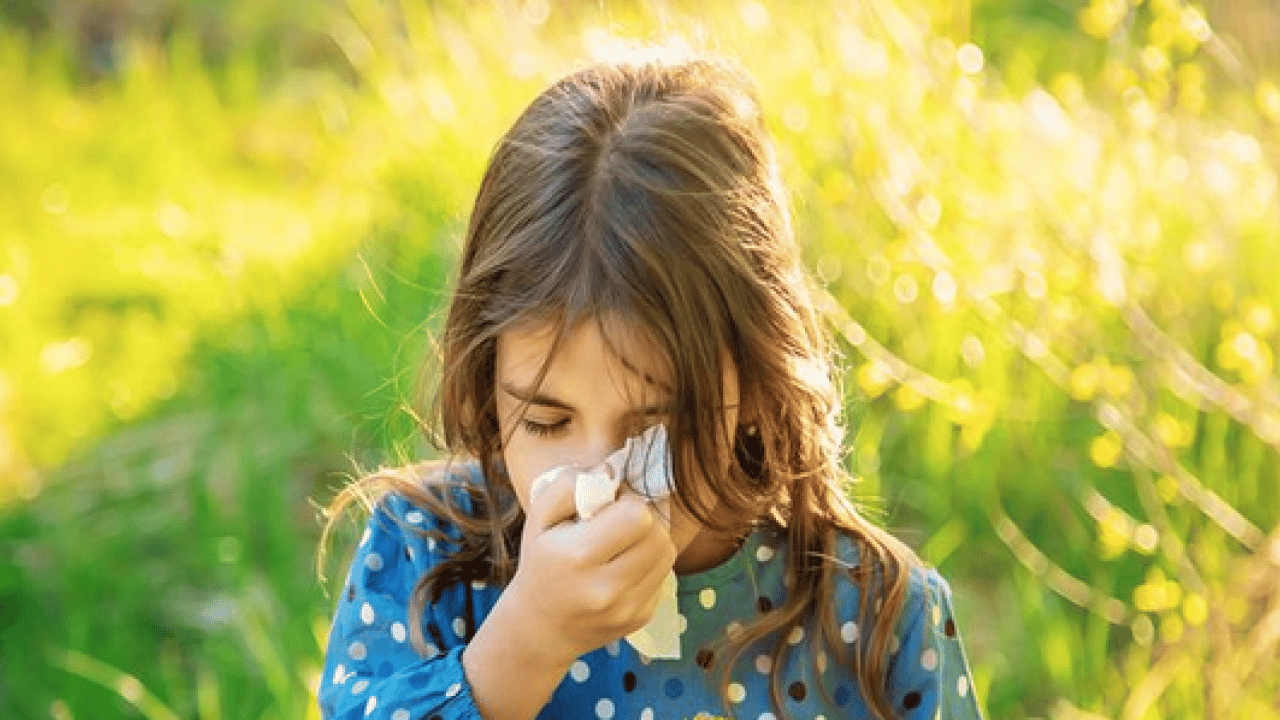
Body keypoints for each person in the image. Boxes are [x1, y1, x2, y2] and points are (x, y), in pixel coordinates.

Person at [317, 41, 984, 720]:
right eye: (547, 421)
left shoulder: (875, 622)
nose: (599, 482)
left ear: (757, 379)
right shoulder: (426, 558)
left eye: (657, 426)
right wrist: (528, 639)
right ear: (488, 381)